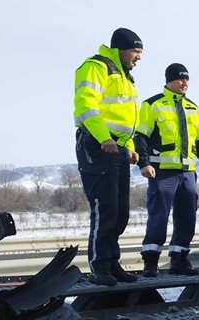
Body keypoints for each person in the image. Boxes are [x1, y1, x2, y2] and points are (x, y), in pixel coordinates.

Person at [73, 28, 143, 285]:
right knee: (105, 209)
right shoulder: (96, 67)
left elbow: (125, 119)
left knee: (120, 213)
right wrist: (104, 138)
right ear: (121, 49)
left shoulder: (125, 77)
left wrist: (131, 146)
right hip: (97, 144)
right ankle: (99, 267)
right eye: (136, 51)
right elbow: (86, 106)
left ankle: (112, 263)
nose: (138, 57)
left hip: (119, 148)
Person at [134, 63, 199, 277]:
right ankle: (150, 262)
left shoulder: (193, 107)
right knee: (158, 217)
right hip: (162, 172)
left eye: (187, 79)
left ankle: (179, 260)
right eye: (180, 79)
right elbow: (140, 136)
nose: (184, 83)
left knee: (187, 217)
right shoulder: (152, 105)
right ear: (169, 80)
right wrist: (144, 163)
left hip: (188, 172)